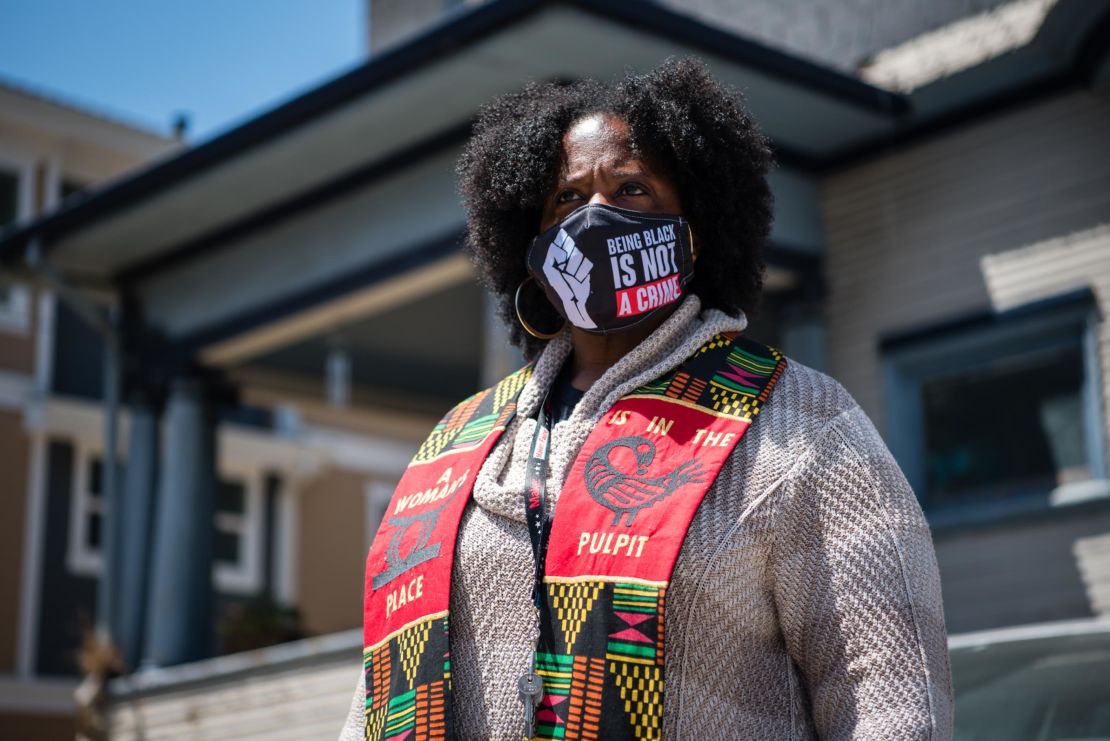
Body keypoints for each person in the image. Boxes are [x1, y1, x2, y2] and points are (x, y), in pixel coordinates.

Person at [341, 58, 953, 740]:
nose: (595, 216)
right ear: (532, 244)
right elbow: (376, 694)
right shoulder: (457, 445)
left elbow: (894, 701)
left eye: (630, 189)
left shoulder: (805, 422)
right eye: (568, 199)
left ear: (696, 232)